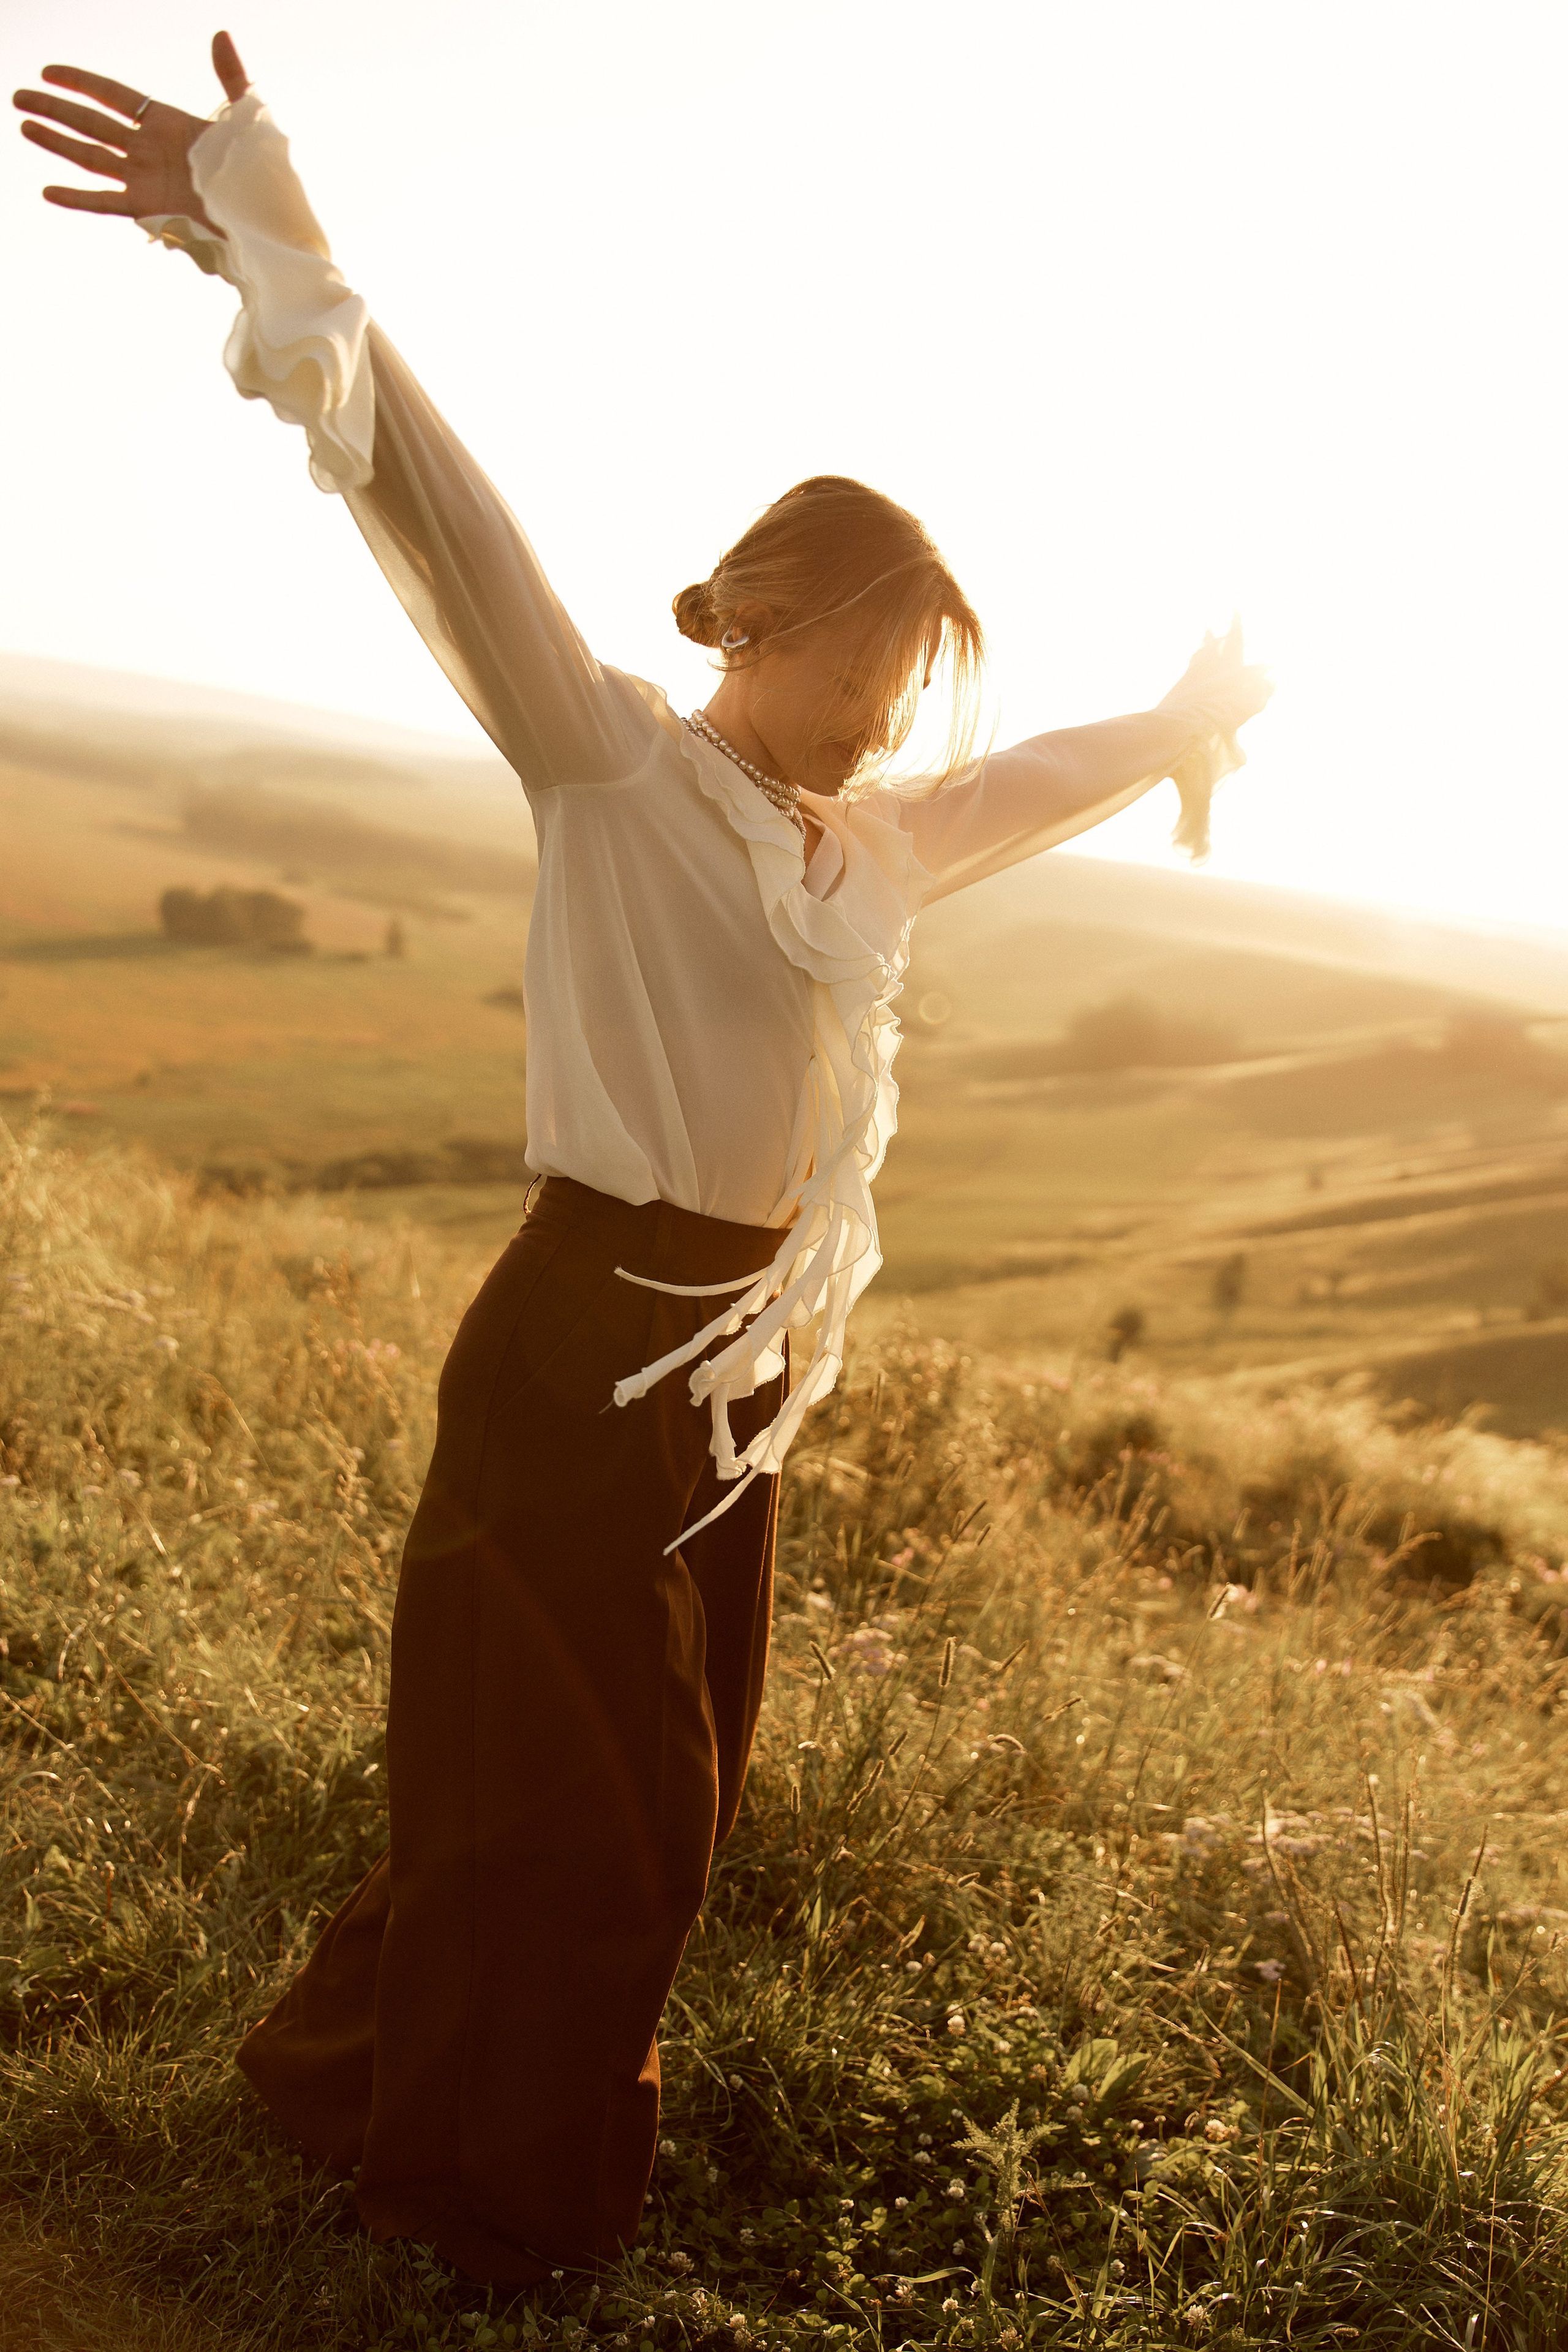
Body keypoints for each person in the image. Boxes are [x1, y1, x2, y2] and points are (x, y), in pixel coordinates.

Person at [14, 32, 1273, 2290]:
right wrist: (272, 238)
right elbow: (439, 511)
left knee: (618, 1797)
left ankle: (335, 2084)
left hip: (733, 1374)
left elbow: (1046, 779)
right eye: (869, 663)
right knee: (579, 1814)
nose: (896, 717)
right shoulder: (603, 763)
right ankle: (486, 2223)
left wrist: (1184, 724)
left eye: (920, 681)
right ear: (752, 624)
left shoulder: (863, 849)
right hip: (585, 1331)